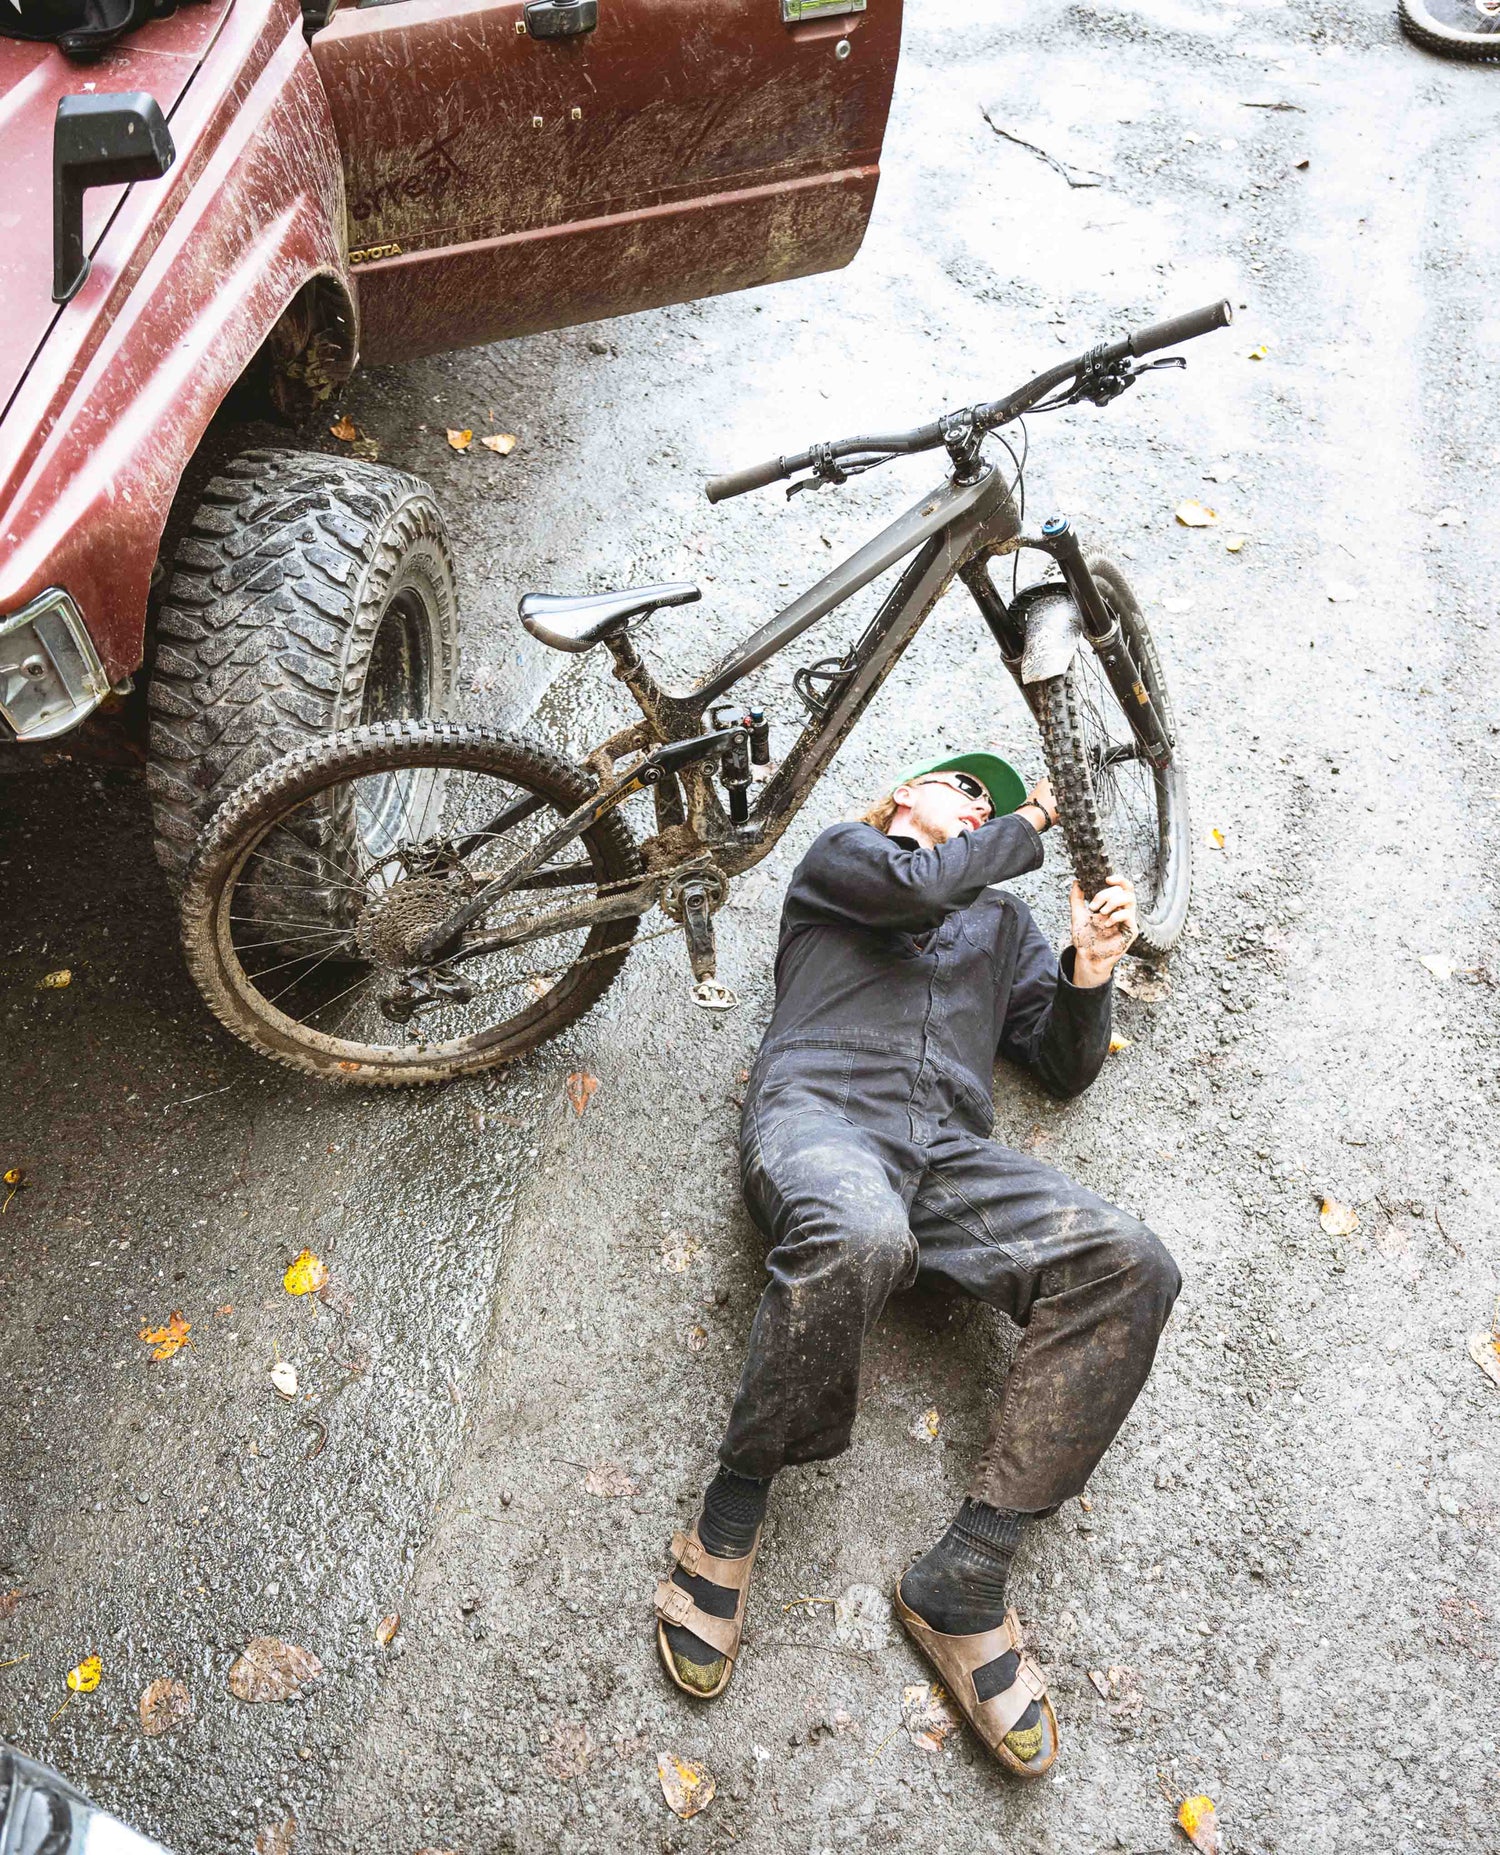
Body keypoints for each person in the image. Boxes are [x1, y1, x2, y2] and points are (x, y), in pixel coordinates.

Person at [652, 750, 1181, 1777]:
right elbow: (921, 885)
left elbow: (1061, 1068)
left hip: (945, 1153)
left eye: (991, 798)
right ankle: (731, 1511)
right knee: (860, 1234)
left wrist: (1087, 967)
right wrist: (1032, 817)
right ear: (903, 797)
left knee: (1132, 1263)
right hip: (824, 1117)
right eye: (962, 787)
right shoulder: (846, 858)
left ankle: (967, 1575)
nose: (981, 803)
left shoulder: (1001, 922)